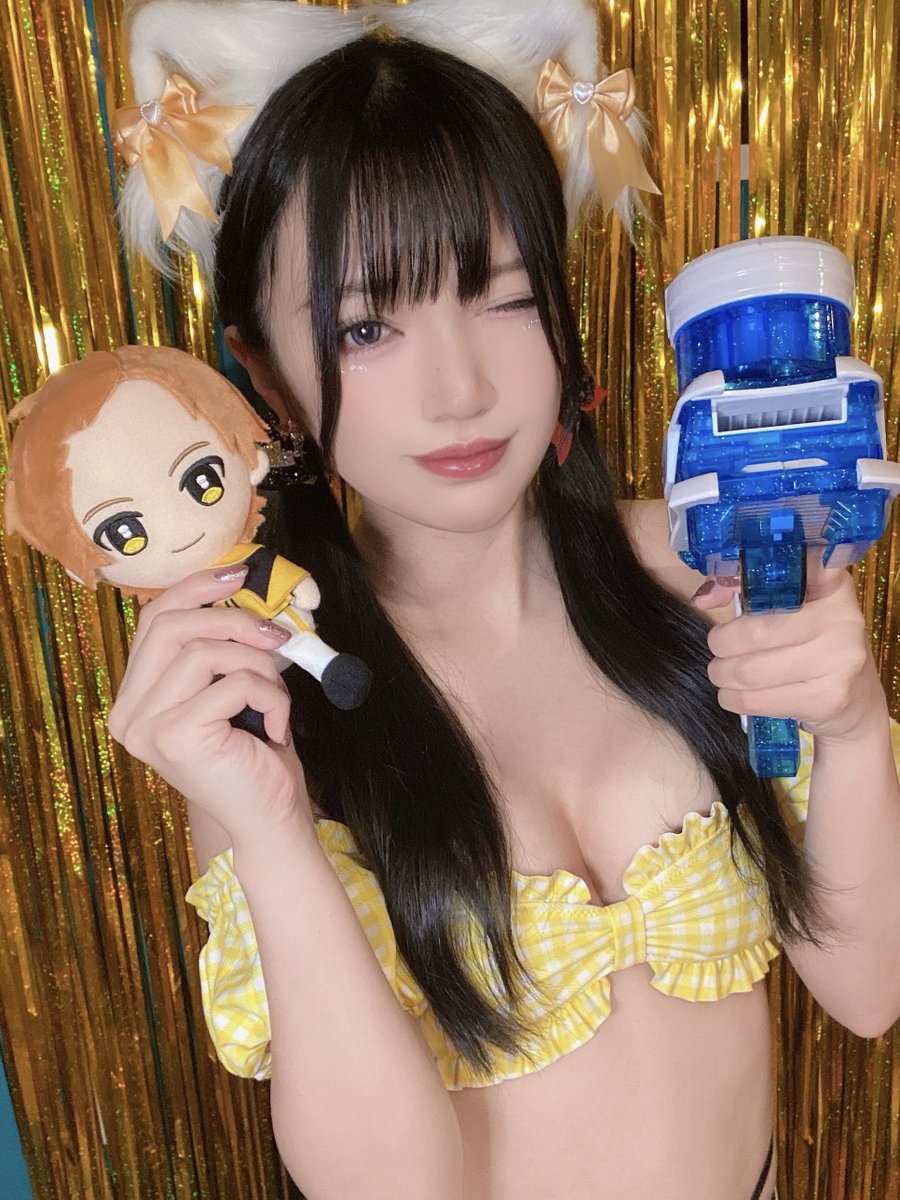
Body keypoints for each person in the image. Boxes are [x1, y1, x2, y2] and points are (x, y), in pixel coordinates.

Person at [106, 3, 900, 1198]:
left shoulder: (704, 570)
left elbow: (869, 990)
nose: (460, 390)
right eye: (367, 325)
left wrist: (854, 729)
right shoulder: (275, 698)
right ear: (264, 371)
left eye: (504, 297)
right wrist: (268, 829)